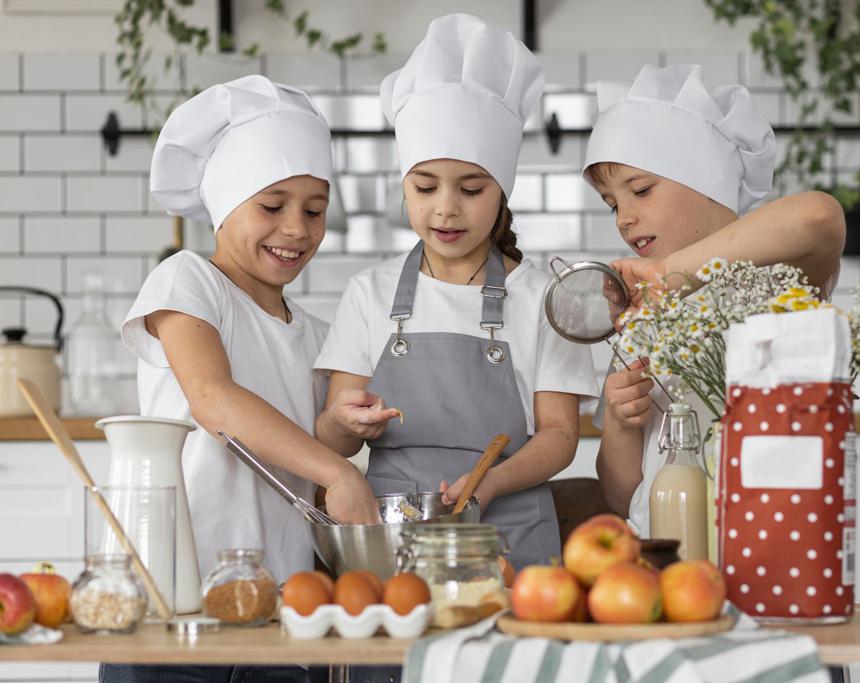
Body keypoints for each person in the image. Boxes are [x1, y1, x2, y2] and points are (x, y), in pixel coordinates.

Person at [101, 75, 377, 683]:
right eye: (272, 207)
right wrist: (338, 473)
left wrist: (341, 429)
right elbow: (213, 399)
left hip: (276, 619)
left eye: (314, 210)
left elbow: (304, 447)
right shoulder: (188, 282)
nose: (297, 228)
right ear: (225, 206)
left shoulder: (316, 333)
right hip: (172, 607)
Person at [314, 13, 599, 571]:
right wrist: (344, 423)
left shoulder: (545, 299)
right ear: (404, 187)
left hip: (512, 541)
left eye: (470, 190)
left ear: (502, 192)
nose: (445, 209)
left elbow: (561, 436)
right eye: (425, 187)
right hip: (393, 546)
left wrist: (492, 482)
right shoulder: (369, 293)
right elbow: (333, 440)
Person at [584, 64, 846, 538]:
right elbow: (622, 498)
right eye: (612, 204)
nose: (623, 218)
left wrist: (673, 273)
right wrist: (621, 422)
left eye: (641, 190)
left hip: (768, 546)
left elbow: (818, 215)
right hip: (670, 555)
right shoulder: (644, 311)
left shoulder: (776, 278)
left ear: (708, 181)